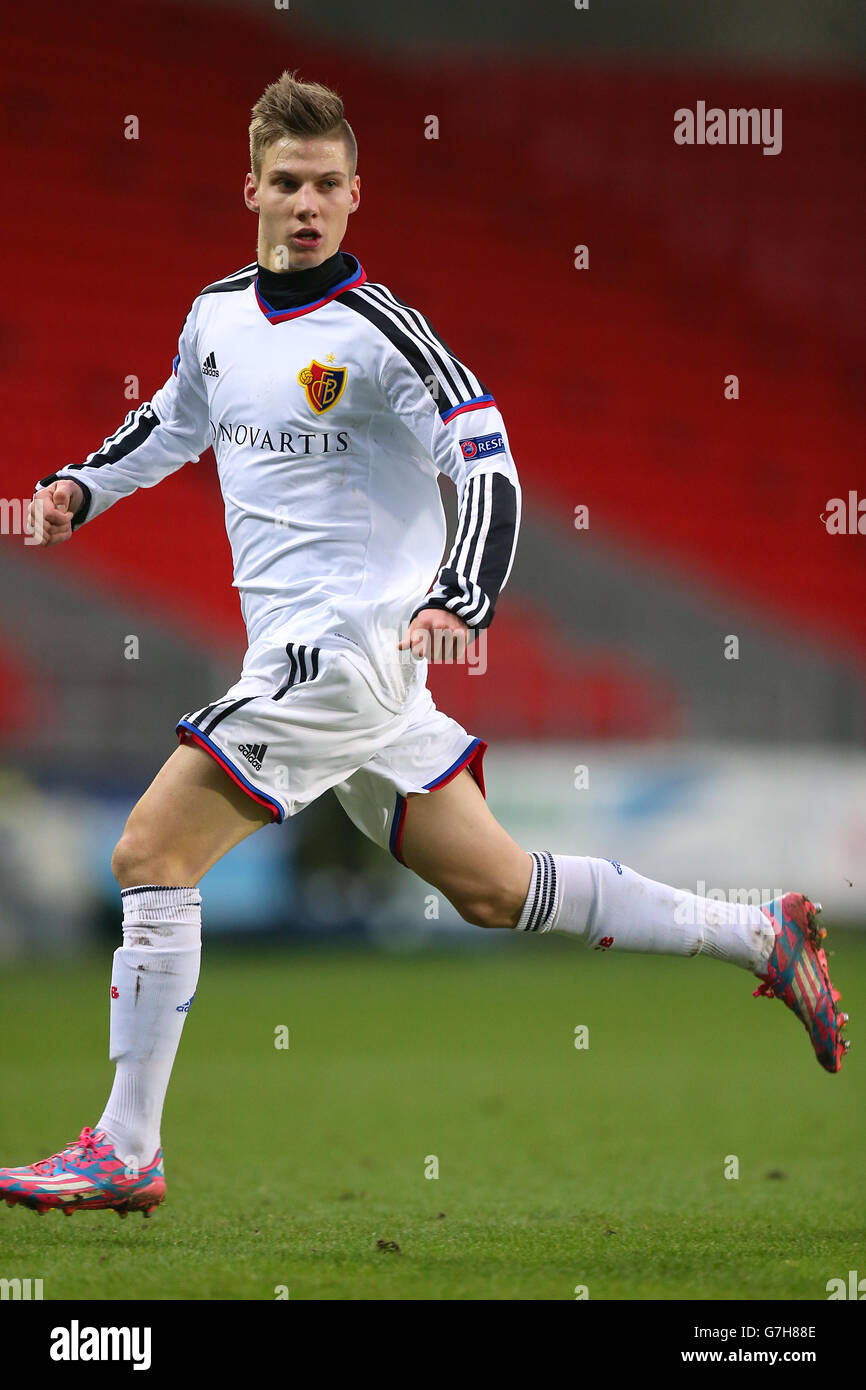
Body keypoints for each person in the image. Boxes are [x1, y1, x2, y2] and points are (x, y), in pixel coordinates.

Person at [1, 72, 847, 1221]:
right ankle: (761, 929)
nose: (307, 204)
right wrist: (75, 491)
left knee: (150, 854)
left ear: (356, 198)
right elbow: (172, 417)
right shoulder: (215, 316)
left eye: (329, 186)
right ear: (249, 186)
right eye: (288, 182)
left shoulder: (385, 334)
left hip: (342, 654)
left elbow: (483, 459)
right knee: (499, 889)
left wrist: (463, 593)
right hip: (340, 675)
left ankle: (125, 1145)